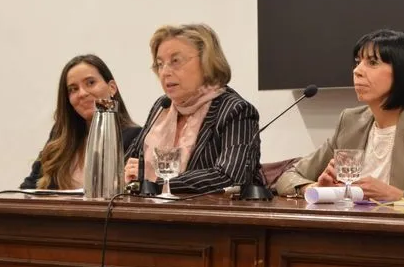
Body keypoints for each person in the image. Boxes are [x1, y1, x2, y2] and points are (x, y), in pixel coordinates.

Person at [275, 29, 404, 201]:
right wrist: (316, 189)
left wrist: (396, 196)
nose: (357, 71)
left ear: (403, 72)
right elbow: (287, 178)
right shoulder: (350, 122)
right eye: (358, 62)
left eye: (372, 63)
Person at [124, 23, 261, 194]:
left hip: (213, 216)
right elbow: (130, 162)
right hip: (155, 211)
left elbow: (229, 176)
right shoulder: (163, 107)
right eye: (160, 64)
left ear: (206, 62)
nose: (165, 72)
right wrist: (129, 172)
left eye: (175, 61)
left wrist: (157, 182)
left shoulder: (236, 110)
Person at [21, 55, 141, 190]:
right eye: (73, 89)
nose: (82, 93)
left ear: (112, 88)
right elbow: (28, 188)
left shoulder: (134, 137)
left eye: (90, 83)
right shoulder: (60, 136)